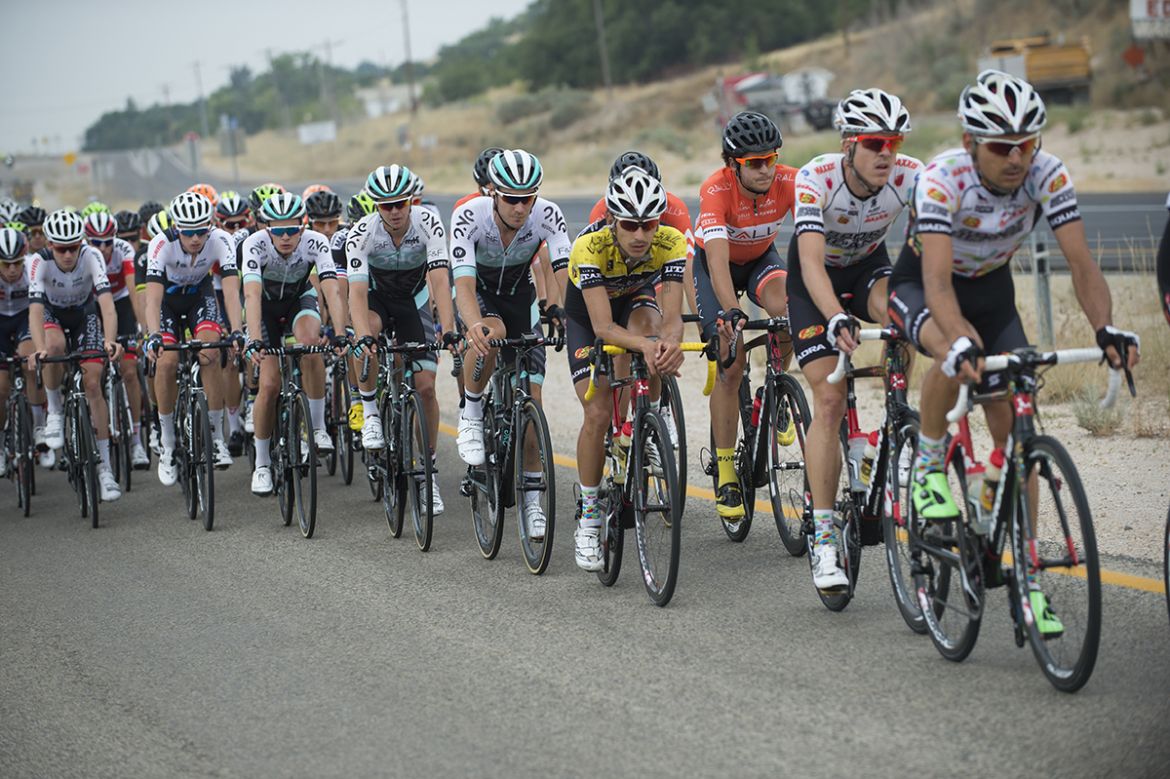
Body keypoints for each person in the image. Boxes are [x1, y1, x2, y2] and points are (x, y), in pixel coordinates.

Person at [888, 70, 1140, 635]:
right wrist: (958, 339)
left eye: (1027, 144)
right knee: (952, 349)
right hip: (924, 286)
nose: (1017, 158)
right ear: (970, 142)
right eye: (1003, 147)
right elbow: (937, 284)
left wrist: (1107, 330)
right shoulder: (942, 179)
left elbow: (1081, 263)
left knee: (1017, 427)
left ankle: (1026, 572)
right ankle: (928, 463)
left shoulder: (1047, 174)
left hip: (993, 293)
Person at [788, 88, 921, 590]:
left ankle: (895, 421)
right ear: (849, 145)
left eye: (894, 143)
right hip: (815, 281)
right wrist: (835, 317)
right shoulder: (816, 177)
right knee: (829, 398)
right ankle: (824, 537)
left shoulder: (910, 176)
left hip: (869, 269)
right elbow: (809, 263)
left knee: (905, 314)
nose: (887, 153)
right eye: (874, 143)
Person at [563, 168, 686, 570]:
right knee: (598, 412)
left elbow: (672, 319)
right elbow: (603, 328)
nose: (640, 234)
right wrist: (649, 346)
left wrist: (668, 344)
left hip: (634, 298)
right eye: (630, 224)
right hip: (589, 317)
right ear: (612, 219)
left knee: (653, 332)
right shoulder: (589, 246)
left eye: (649, 224)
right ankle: (589, 516)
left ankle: (648, 421)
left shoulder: (671, 241)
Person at [451, 149, 570, 539]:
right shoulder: (469, 216)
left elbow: (563, 271)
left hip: (520, 296)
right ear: (494, 194)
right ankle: (472, 413)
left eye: (528, 198)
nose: (520, 208)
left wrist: (565, 313)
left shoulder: (547, 214)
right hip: (480, 294)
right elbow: (463, 284)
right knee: (491, 333)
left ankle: (533, 501)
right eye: (511, 199)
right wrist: (473, 326)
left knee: (532, 401)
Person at [693, 111, 797, 522]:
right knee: (731, 363)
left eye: (770, 159)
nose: (765, 169)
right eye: (754, 163)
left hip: (759, 260)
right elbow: (717, 265)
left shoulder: (790, 181)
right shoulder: (715, 189)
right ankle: (725, 472)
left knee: (791, 311)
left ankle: (775, 391)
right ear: (733, 164)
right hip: (713, 266)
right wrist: (732, 312)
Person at [347, 165, 457, 515]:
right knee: (365, 339)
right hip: (376, 300)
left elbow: (440, 279)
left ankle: (428, 474)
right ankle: (370, 411)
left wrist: (448, 328)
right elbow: (356, 293)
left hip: (413, 300)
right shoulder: (362, 232)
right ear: (376, 206)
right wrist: (362, 337)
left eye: (400, 204)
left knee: (426, 388)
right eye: (386, 205)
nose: (394, 211)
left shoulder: (429, 223)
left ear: (411, 201)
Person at [241, 193, 347, 496]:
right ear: (267, 228)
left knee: (311, 346)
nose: (285, 237)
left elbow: (331, 290)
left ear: (303, 226)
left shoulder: (316, 242)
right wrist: (254, 340)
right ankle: (262, 464)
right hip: (264, 306)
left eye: (292, 230)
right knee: (270, 384)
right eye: (278, 231)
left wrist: (339, 332)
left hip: (298, 301)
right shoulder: (254, 244)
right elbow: (251, 295)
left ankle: (317, 427)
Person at [142, 192, 243, 486]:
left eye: (201, 231)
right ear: (177, 228)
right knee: (166, 362)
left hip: (200, 296)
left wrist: (236, 330)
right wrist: (153, 335)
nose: (196, 238)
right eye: (189, 233)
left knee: (211, 352)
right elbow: (152, 300)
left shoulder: (221, 239)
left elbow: (231, 292)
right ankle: (168, 444)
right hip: (167, 302)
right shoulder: (161, 244)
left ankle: (216, 437)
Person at [28, 209, 123, 501]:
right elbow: (35, 310)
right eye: (61, 249)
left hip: (84, 314)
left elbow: (107, 306)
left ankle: (105, 469)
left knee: (93, 384)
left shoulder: (91, 256)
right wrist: (39, 348)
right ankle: (55, 411)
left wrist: (110, 341)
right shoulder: (39, 261)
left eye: (73, 247)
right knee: (54, 347)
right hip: (52, 314)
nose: (68, 254)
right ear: (50, 245)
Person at [84, 212, 149, 469]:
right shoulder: (83, 255)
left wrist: (142, 327)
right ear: (87, 241)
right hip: (92, 305)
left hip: (120, 303)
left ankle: (136, 441)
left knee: (130, 371)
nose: (103, 248)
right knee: (93, 372)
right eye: (96, 242)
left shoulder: (124, 251)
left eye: (107, 242)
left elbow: (134, 292)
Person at [0, 228, 39, 477]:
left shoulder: (33, 267)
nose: (13, 269)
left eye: (17, 263)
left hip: (25, 317)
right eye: (6, 264)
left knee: (30, 363)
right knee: (1, 388)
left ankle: (39, 427)